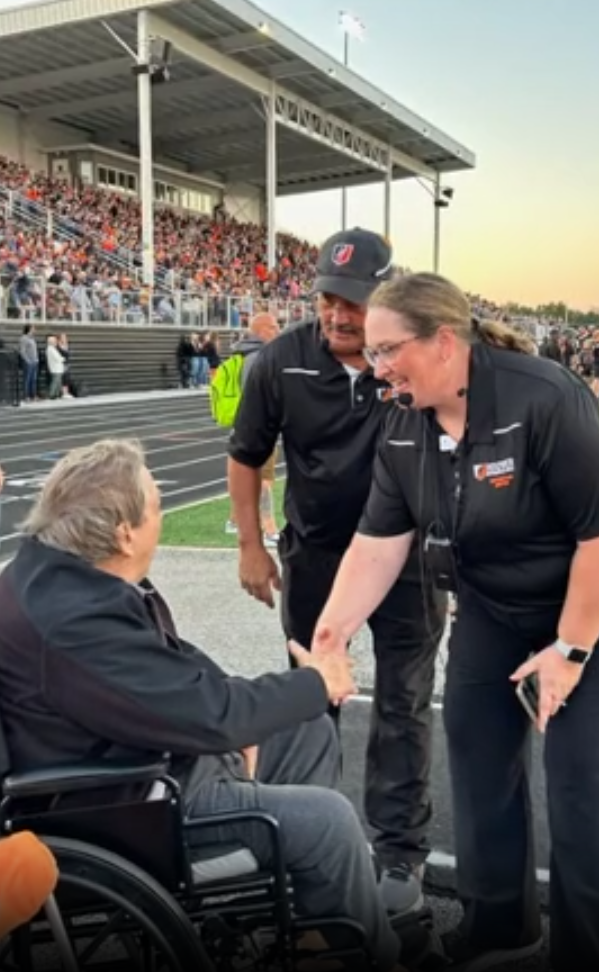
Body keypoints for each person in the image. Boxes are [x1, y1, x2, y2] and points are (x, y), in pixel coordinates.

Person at [0, 438, 412, 972]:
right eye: (154, 501)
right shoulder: (73, 619)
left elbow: (176, 674)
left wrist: (268, 706)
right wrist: (318, 682)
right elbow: (212, 714)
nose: (159, 510)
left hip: (125, 771)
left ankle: (318, 925)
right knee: (328, 823)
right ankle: (376, 955)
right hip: (127, 808)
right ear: (125, 533)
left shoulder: (57, 576)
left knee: (304, 731)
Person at [310, 271, 599, 972]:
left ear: (443, 342)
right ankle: (500, 926)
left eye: (386, 351)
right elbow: (378, 543)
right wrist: (328, 636)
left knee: (580, 788)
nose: (374, 368)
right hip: (490, 610)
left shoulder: (543, 397)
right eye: (369, 355)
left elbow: (597, 534)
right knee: (473, 762)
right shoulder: (403, 423)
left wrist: (570, 648)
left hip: (581, 611)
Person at [228, 228, 446, 916]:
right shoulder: (280, 361)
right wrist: (250, 546)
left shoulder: (412, 356)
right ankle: (308, 841)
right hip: (318, 557)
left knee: (402, 703)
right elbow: (246, 452)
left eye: (353, 301)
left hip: (407, 563)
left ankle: (399, 852)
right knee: (308, 698)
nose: (337, 314)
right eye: (327, 297)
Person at [226, 312, 281, 545]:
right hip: (259, 431)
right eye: (274, 327)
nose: (278, 332)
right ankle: (268, 528)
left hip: (242, 428)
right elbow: (259, 398)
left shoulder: (242, 354)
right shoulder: (260, 357)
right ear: (261, 330)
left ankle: (234, 520)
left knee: (248, 476)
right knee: (264, 479)